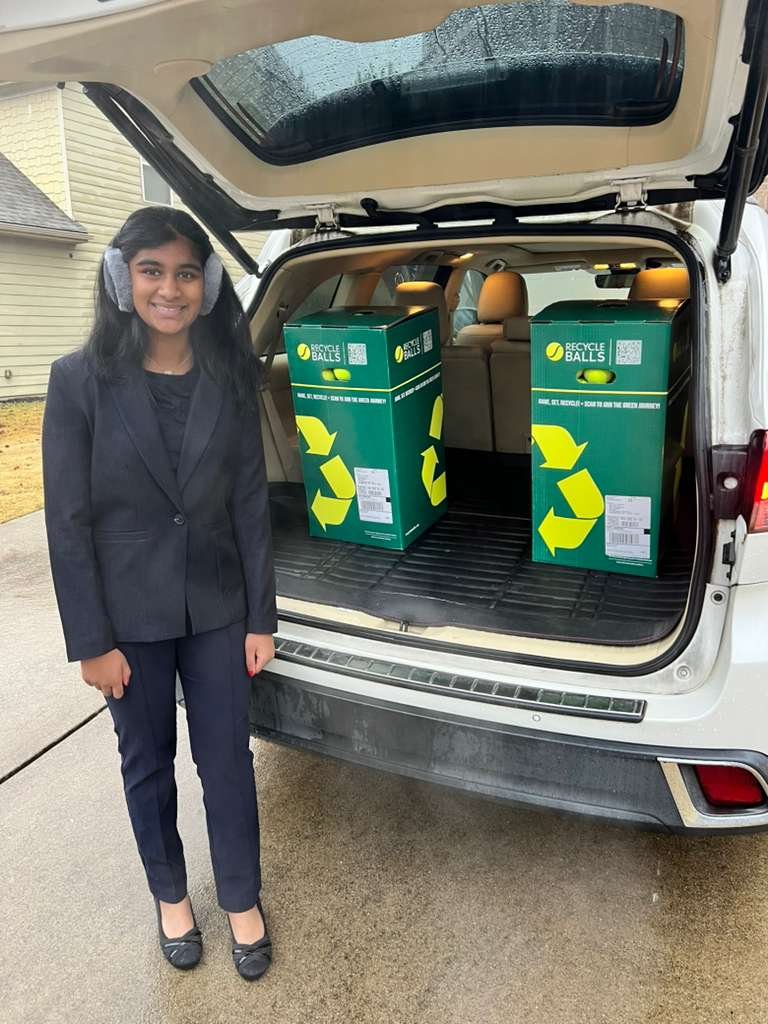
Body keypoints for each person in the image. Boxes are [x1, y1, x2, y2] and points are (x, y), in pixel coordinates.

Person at [41, 206, 277, 981]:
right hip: (126, 622)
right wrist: (91, 642)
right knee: (147, 765)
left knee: (227, 764)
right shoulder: (77, 383)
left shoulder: (229, 377)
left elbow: (249, 501)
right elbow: (68, 521)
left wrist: (259, 617)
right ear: (121, 278)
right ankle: (172, 897)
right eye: (151, 270)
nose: (168, 288)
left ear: (206, 284)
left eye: (184, 272)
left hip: (216, 609)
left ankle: (241, 898)